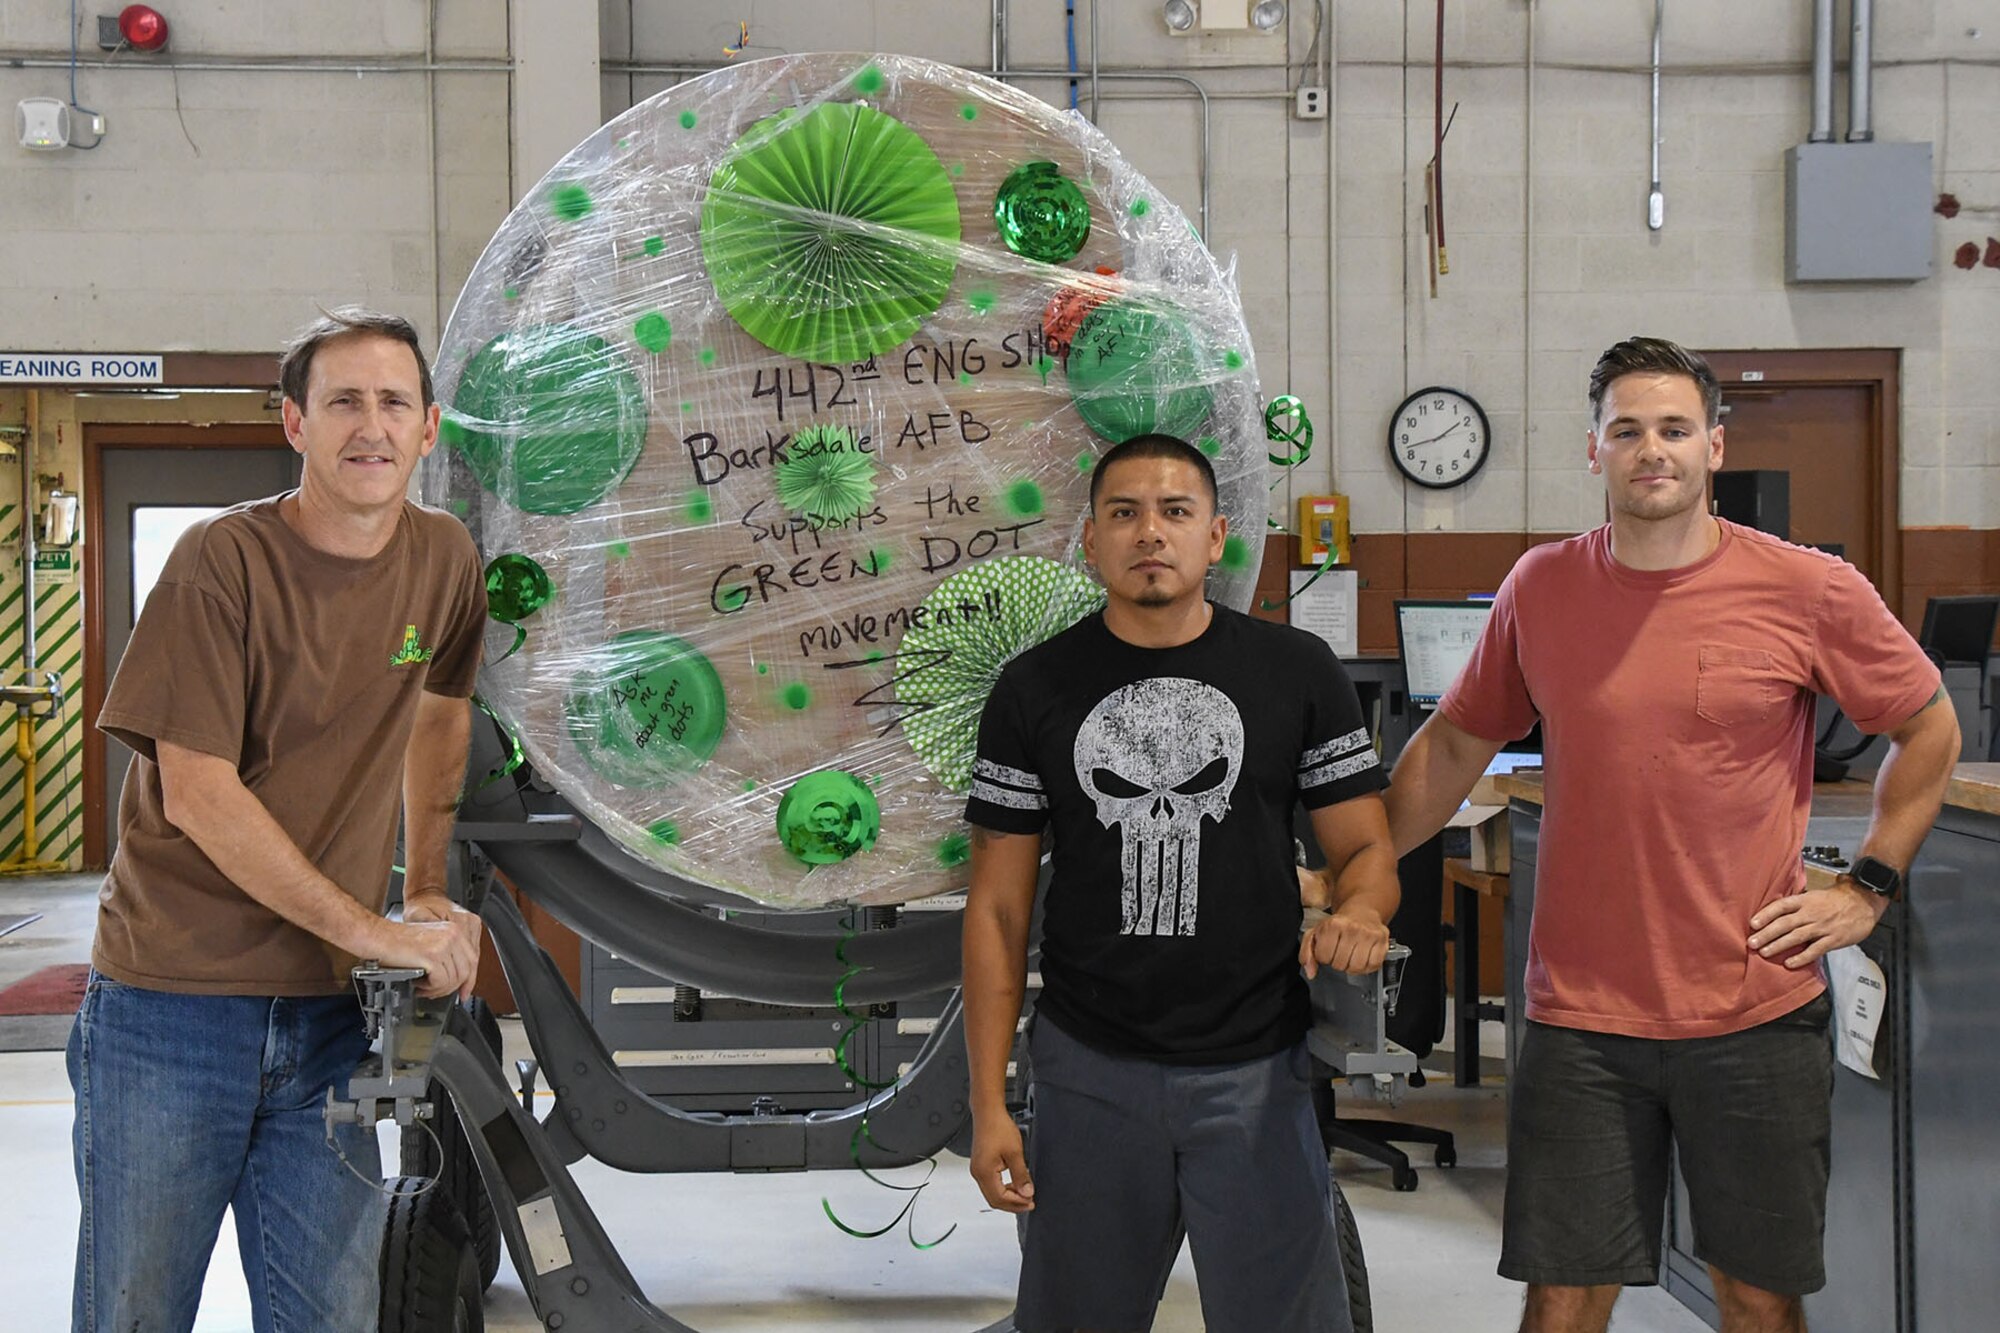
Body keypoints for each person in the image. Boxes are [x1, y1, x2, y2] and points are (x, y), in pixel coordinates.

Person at [1383, 336, 1960, 1333]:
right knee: (1561, 1298)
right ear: (1592, 450)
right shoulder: (1540, 586)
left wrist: (1865, 886)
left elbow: (1928, 727)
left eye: (1672, 429)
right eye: (1626, 430)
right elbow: (1449, 748)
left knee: (1756, 1295)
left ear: (1713, 448)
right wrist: (1354, 868)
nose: (1650, 449)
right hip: (1577, 1020)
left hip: (1752, 1012)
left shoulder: (1806, 587)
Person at [68, 308, 489, 1332]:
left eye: (394, 402)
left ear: (429, 428)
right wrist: (381, 933)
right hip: (173, 1011)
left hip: (329, 1020)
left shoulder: (443, 561)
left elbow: (441, 714)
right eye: (343, 400)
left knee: (332, 1318)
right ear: (294, 423)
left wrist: (425, 881)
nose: (370, 425)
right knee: (136, 1308)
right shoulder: (222, 561)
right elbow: (201, 792)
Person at [961, 432, 1401, 1332]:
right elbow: (998, 909)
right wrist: (987, 1105)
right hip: (1089, 1071)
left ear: (1217, 537)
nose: (1149, 532)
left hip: (1260, 1071)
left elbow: (1366, 853)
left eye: (1175, 511)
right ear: (1090, 540)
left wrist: (1358, 909)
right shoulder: (1033, 689)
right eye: (1124, 513)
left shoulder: (1298, 673)